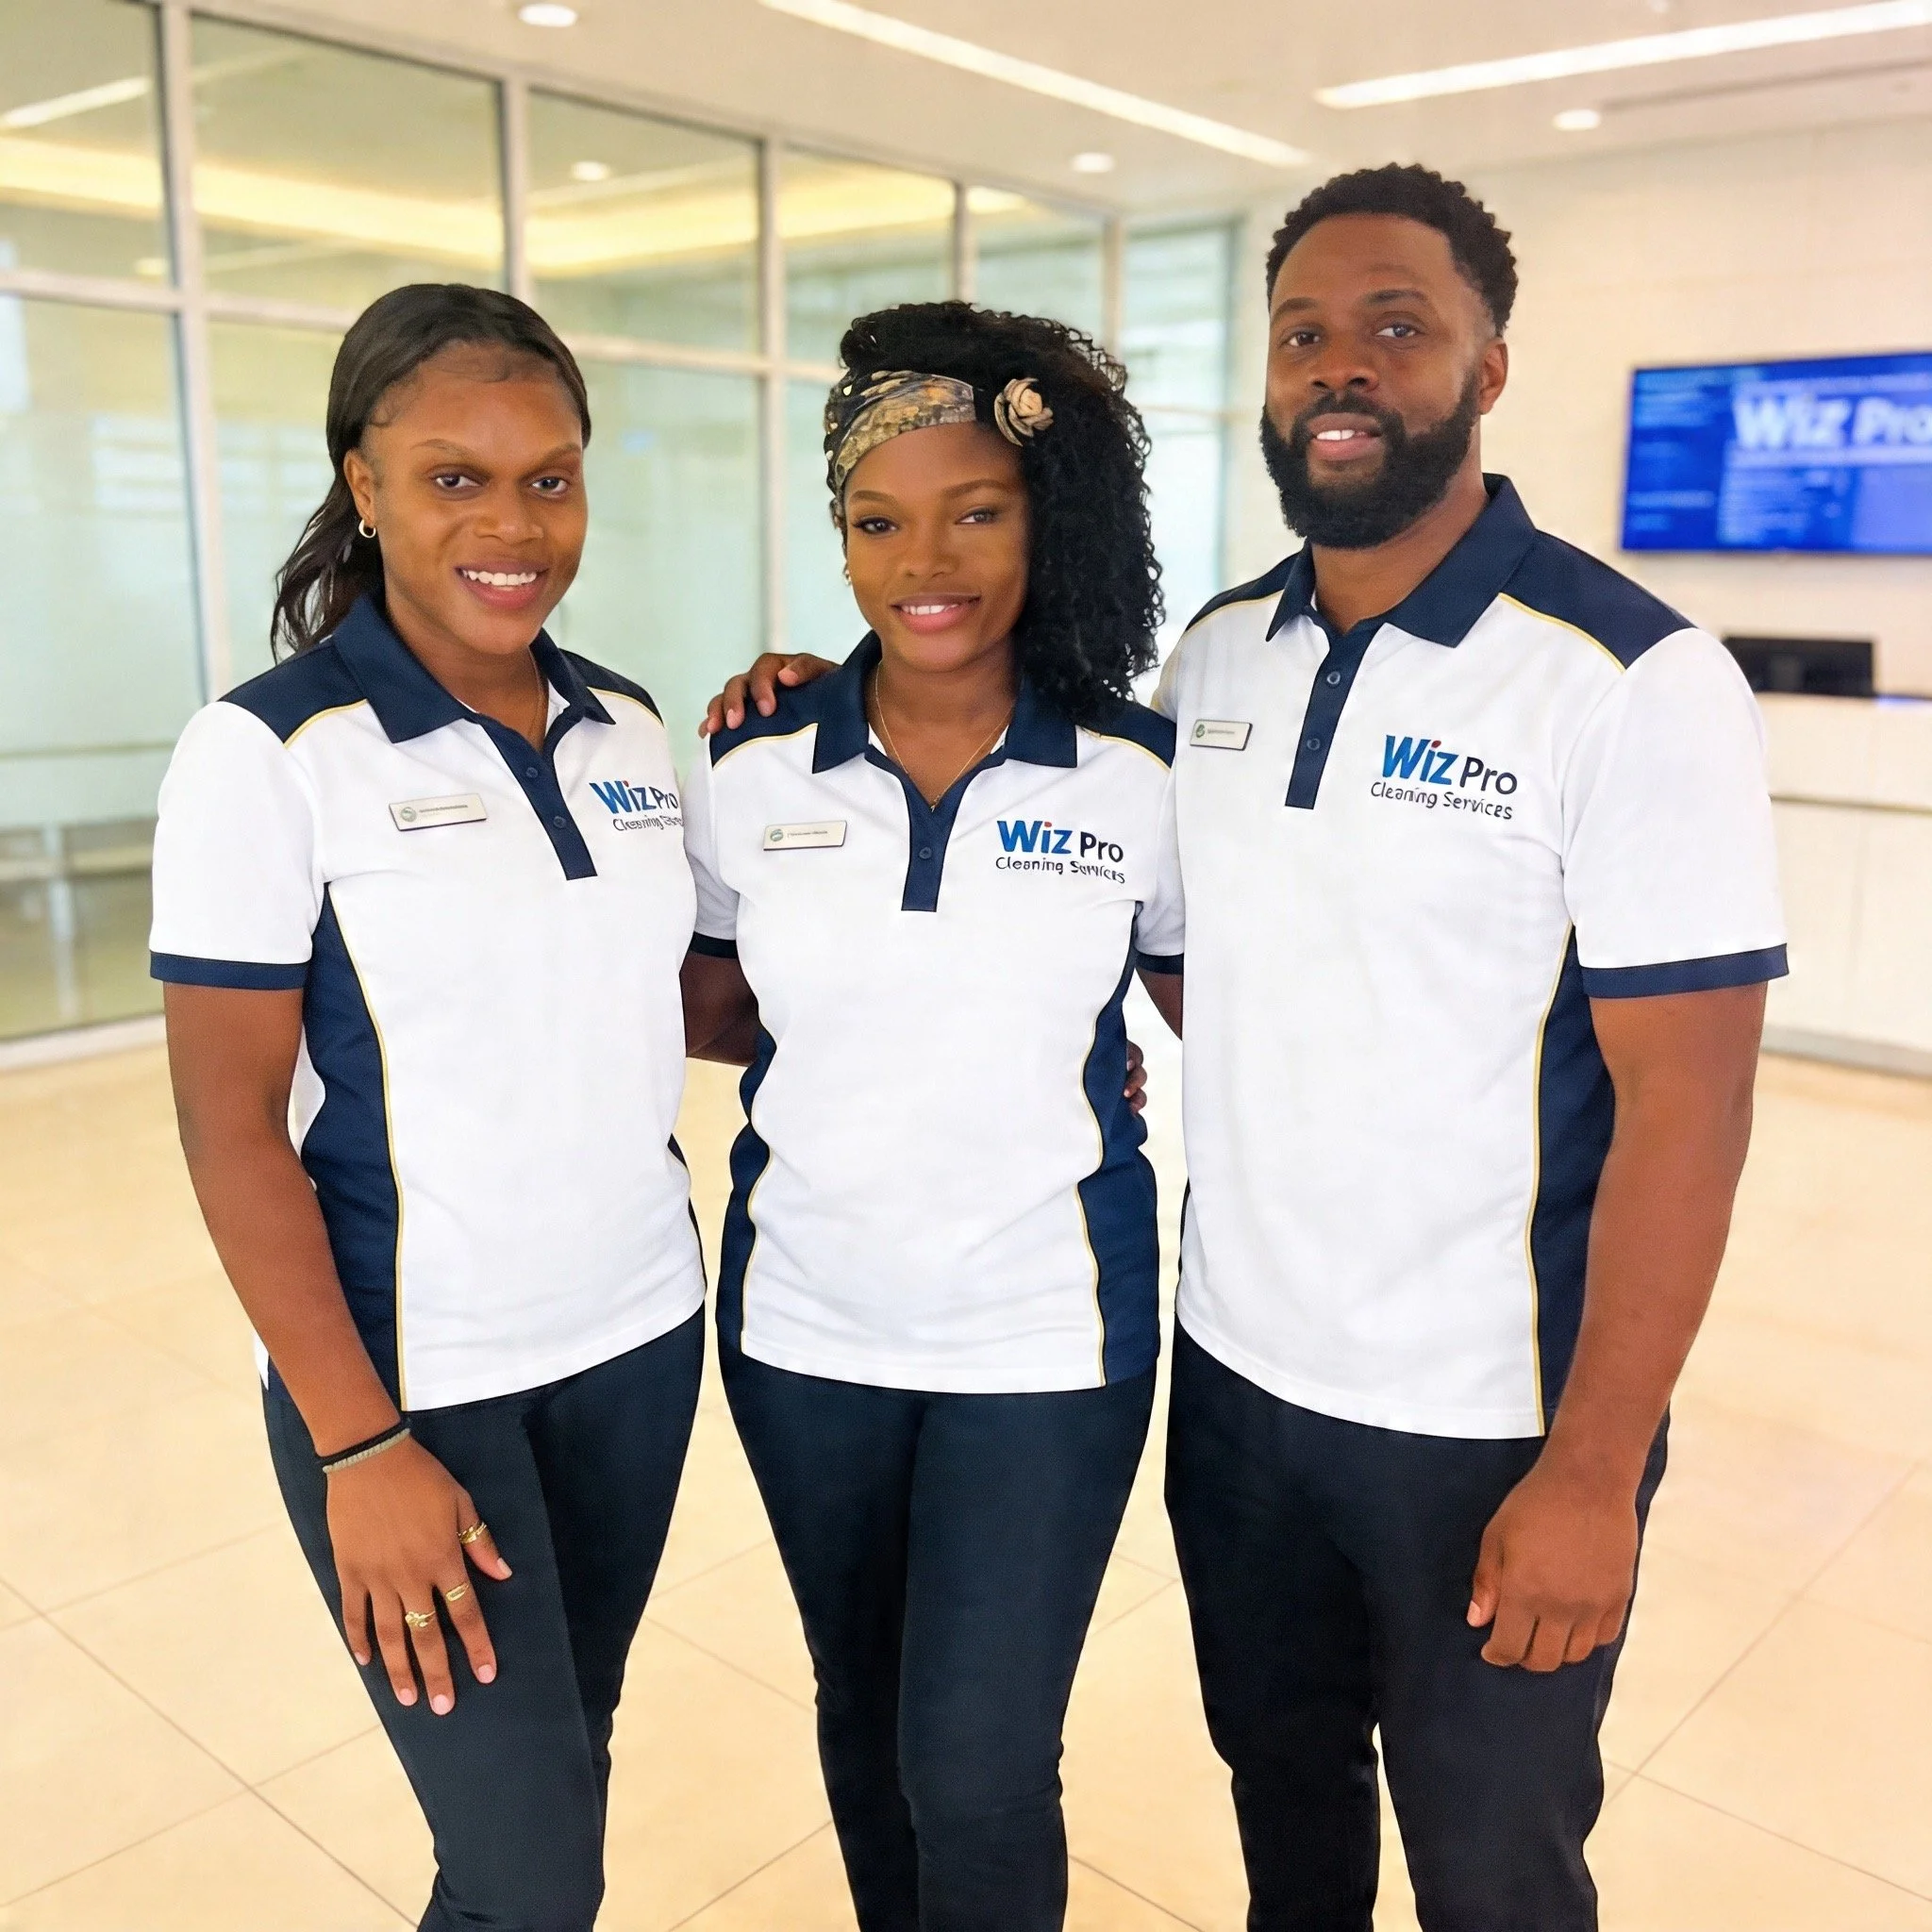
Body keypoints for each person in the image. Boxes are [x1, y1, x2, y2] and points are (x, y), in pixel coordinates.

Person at [708, 166, 1788, 1932]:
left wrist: (1596, 1470)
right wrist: (805, 702)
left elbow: (1694, 1105)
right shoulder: (1216, 664)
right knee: (1285, 1811)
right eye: (1305, 335)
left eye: (1397, 327)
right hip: (1236, 1384)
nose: (1343, 368)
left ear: (1489, 366)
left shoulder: (1622, 678)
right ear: (1271, 379)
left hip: (1483, 1415)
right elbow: (1178, 963)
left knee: (1493, 1868)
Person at [150, 283, 714, 1932]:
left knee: (551, 1795)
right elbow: (227, 1124)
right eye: (454, 477)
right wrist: (360, 1441)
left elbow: (673, 1000)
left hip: (631, 1347)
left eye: (550, 477)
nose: (512, 523)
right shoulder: (270, 755)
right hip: (416, 1384)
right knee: (538, 1872)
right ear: (363, 483)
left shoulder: (625, 727)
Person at [678, 301, 1183, 1932]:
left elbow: (1223, 1006)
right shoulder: (757, 767)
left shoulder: (1142, 778)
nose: (927, 559)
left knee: (975, 1760)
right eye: (879, 522)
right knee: (861, 1709)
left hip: (1043, 1340)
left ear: (1048, 516)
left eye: (977, 510)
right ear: (838, 542)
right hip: (805, 1329)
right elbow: (705, 1007)